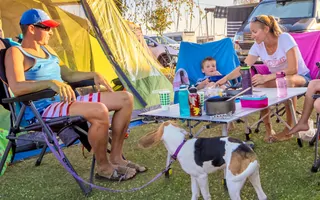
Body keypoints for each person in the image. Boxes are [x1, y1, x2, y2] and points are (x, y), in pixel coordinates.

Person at [4, 8, 146, 181]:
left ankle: (116, 157)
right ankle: (104, 167)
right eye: (46, 28)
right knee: (99, 110)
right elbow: (17, 87)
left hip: (65, 101)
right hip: (43, 109)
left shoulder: (49, 51)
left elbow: (69, 75)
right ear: (32, 29)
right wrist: (50, 83)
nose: (51, 32)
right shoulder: (16, 53)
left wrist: (92, 74)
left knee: (126, 98)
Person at [216, 15, 311, 143]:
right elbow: (244, 67)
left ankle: (289, 130)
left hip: (300, 78)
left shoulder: (285, 39)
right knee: (258, 87)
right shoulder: (257, 46)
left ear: (266, 29)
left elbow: (293, 69)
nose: (253, 36)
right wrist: (224, 78)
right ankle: (268, 129)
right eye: (251, 33)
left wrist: (266, 77)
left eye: (255, 32)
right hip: (277, 80)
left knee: (285, 81)